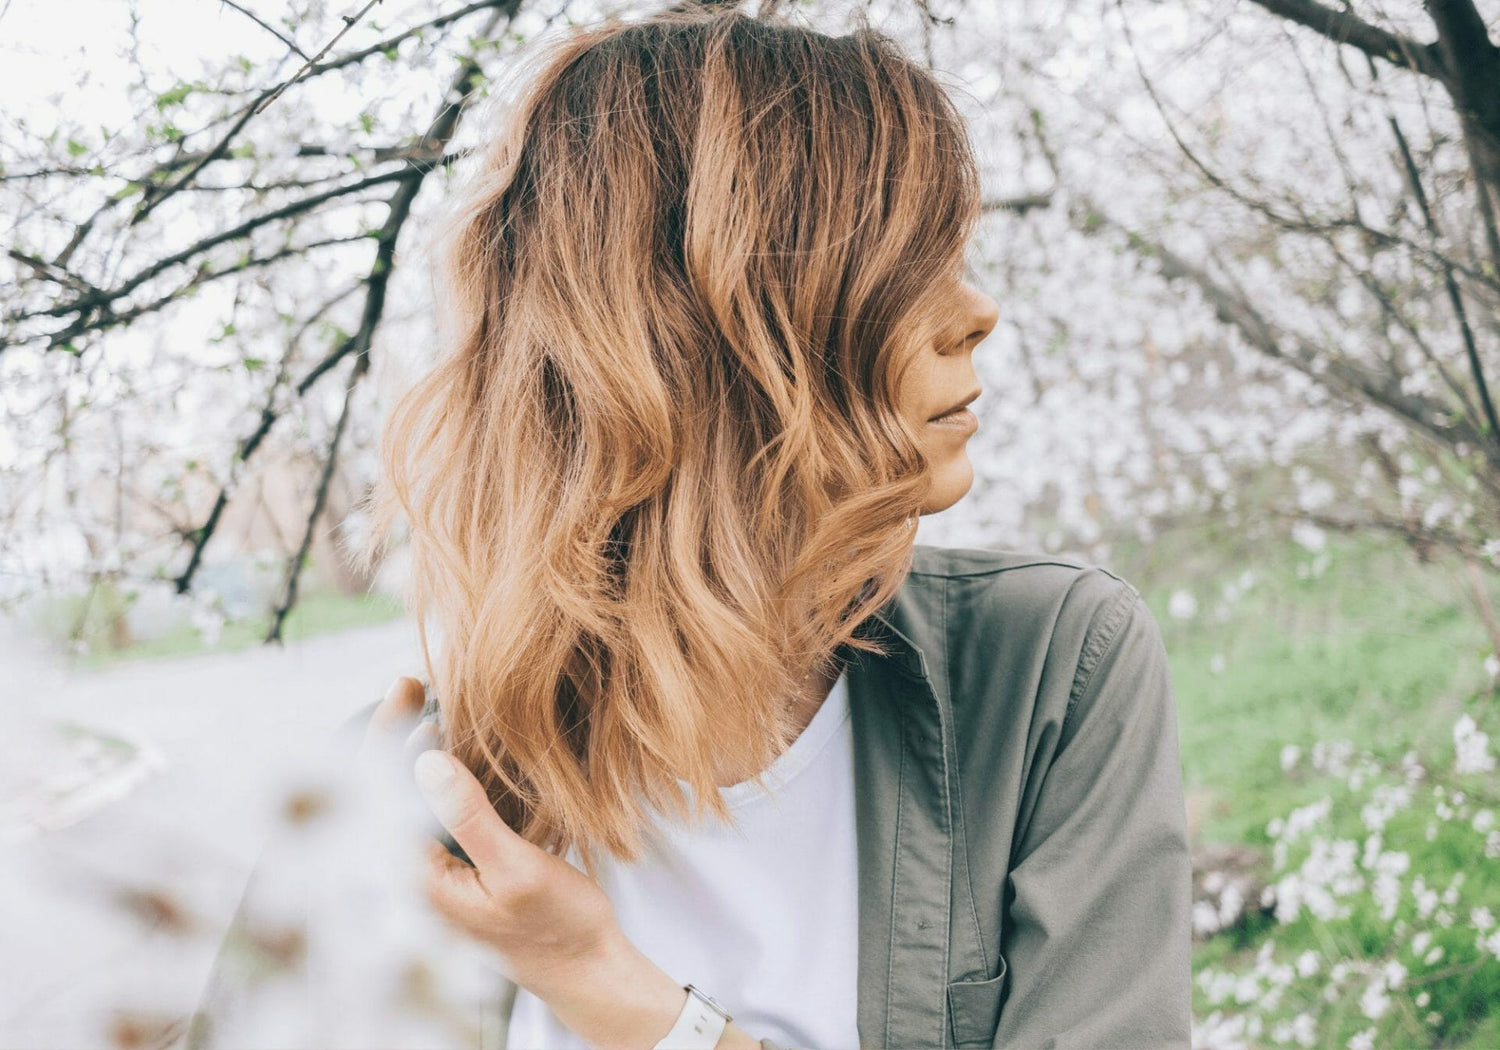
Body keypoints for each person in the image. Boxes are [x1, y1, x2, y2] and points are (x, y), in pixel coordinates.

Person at [189, 4, 1193, 1048]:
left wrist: (618, 998)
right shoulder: (414, 799)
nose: (977, 309)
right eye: (906, 263)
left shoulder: (1046, 673)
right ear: (702, 330)